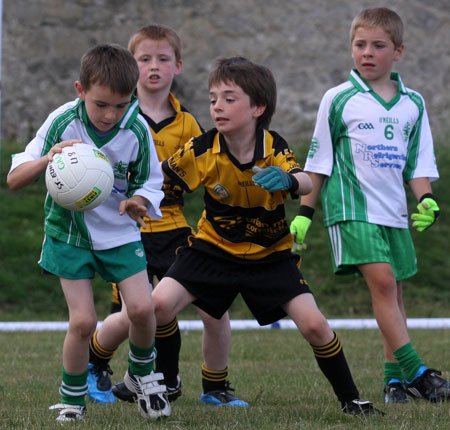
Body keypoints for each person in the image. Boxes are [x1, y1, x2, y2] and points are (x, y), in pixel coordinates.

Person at [152, 55, 384, 417]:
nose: (217, 106)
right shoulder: (201, 149)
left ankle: (352, 400)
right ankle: (163, 383)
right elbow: (157, 176)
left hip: (270, 255)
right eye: (213, 98)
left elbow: (307, 180)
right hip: (212, 250)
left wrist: (290, 180)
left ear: (258, 107)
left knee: (314, 325)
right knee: (157, 305)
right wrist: (133, 196)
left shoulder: (274, 146)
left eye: (230, 98)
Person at [290, 7, 450, 404]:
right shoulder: (338, 99)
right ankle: (419, 372)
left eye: (378, 45)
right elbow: (319, 163)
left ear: (398, 51)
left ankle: (394, 382)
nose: (367, 52)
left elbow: (418, 164)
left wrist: (426, 199)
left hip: (393, 212)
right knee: (380, 282)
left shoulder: (414, 103)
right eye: (360, 44)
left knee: (393, 292)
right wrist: (304, 217)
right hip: (350, 209)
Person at [7, 44, 171, 422]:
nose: (111, 115)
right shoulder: (63, 121)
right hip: (69, 233)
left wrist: (139, 201)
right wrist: (50, 159)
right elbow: (16, 178)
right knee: (83, 322)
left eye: (120, 105)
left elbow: (151, 181)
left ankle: (142, 376)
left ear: (132, 96)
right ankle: (73, 401)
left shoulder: (136, 128)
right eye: (101, 105)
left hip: (119, 232)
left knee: (144, 309)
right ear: (80, 90)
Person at [86, 25, 244, 408]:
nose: (154, 67)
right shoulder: (116, 116)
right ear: (129, 65)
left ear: (178, 66)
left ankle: (213, 387)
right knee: (133, 311)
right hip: (127, 231)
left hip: (175, 228)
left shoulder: (189, 124)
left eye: (163, 59)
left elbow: (205, 174)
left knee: (210, 306)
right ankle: (100, 367)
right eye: (144, 59)